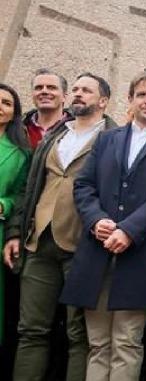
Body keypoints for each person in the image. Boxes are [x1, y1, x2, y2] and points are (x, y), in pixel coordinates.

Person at [59, 72, 146, 380]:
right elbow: (84, 185)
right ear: (130, 101)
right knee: (97, 344)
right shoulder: (108, 139)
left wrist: (129, 229)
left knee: (126, 343)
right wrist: (96, 220)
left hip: (142, 255)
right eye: (141, 94)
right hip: (98, 252)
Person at [5, 73, 116, 381]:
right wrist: (15, 232)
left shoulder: (114, 137)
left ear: (103, 101)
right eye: (76, 89)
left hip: (85, 246)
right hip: (39, 242)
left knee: (78, 335)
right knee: (31, 330)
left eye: (87, 90)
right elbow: (31, 187)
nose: (79, 94)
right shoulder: (56, 135)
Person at [0, 83, 30, 348]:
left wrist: (3, 205)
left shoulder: (20, 153)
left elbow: (20, 194)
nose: (0, 107)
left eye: (7, 103)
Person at [24, 69, 71, 149]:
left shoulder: (74, 129)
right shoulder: (18, 128)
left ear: (64, 97)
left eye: (51, 88)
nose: (44, 91)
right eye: (39, 88)